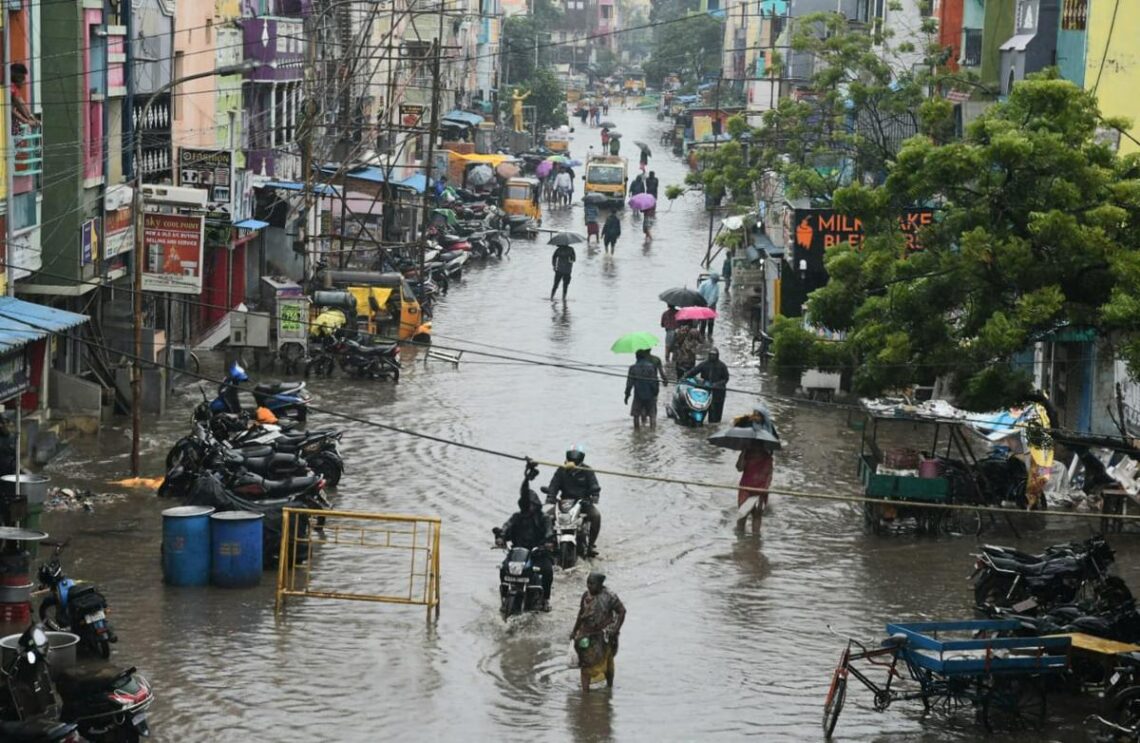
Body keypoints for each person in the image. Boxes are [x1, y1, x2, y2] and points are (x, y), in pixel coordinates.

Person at [496, 462, 555, 610]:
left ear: (536, 505)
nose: (528, 507)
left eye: (531, 504)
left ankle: (546, 599)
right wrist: (501, 537)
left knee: (547, 570)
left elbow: (549, 531)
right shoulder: (517, 517)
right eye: (525, 504)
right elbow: (506, 526)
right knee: (503, 568)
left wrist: (548, 542)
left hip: (538, 553)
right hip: (518, 555)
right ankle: (504, 596)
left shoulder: (543, 518)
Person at [570, 572, 626, 692]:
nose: (589, 586)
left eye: (592, 583)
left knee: (607, 663)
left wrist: (616, 629)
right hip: (587, 635)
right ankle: (585, 694)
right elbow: (581, 615)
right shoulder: (586, 596)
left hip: (604, 637)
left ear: (600, 584)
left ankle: (609, 687)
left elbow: (622, 611)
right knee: (585, 665)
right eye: (588, 583)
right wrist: (574, 631)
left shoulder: (610, 597)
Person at [545, 445, 601, 556]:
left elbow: (594, 485)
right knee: (545, 517)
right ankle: (550, 543)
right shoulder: (561, 470)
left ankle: (590, 546)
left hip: (583, 502)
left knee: (596, 516)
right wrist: (550, 496)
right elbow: (553, 485)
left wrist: (595, 495)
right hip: (565, 502)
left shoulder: (587, 470)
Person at [736, 440, 774, 535]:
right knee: (742, 515)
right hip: (746, 488)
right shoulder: (747, 454)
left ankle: (755, 539)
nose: (756, 447)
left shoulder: (767, 457)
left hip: (760, 489)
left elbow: (769, 474)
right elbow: (739, 468)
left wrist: (765, 487)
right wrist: (743, 454)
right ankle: (740, 539)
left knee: (757, 515)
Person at [689, 348, 729, 423]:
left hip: (718, 393)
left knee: (715, 418)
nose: (712, 357)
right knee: (701, 412)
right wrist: (684, 378)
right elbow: (693, 372)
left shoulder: (722, 366)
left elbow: (726, 379)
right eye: (711, 355)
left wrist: (716, 384)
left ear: (717, 356)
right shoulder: (704, 364)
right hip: (705, 391)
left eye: (714, 355)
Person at [624, 349, 660, 429]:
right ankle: (652, 432)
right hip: (650, 395)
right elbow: (654, 382)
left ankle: (637, 432)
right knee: (652, 415)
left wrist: (627, 395)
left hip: (638, 395)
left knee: (636, 415)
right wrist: (655, 393)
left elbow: (629, 384)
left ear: (636, 357)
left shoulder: (632, 368)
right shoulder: (651, 367)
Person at [10, 64, 36, 128]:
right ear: (16, 77)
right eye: (22, 78)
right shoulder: (10, 88)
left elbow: (21, 103)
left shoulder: (15, 88)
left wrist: (30, 117)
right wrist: (27, 121)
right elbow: (11, 110)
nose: (24, 81)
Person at [698, 273, 720, 337]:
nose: (716, 281)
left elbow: (716, 296)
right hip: (704, 304)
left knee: (710, 321)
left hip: (711, 305)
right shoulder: (704, 284)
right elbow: (700, 294)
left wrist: (714, 303)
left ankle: (709, 335)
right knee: (704, 321)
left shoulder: (716, 286)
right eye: (715, 280)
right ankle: (703, 335)